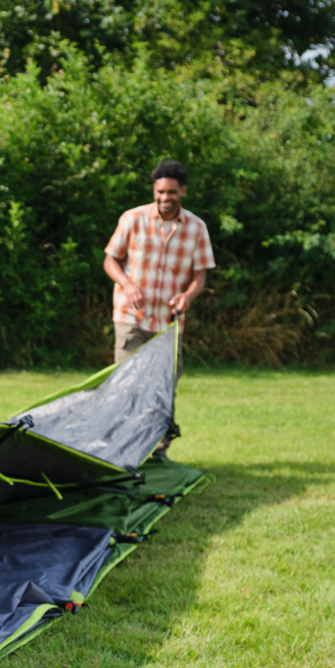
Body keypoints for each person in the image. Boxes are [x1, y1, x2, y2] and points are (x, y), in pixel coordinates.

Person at [102, 159, 215, 456]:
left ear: (183, 191)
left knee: (163, 387)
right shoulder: (132, 218)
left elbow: (200, 275)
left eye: (171, 192)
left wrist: (188, 296)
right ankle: (122, 449)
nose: (165, 198)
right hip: (131, 317)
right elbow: (110, 261)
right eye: (160, 192)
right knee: (127, 384)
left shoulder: (197, 228)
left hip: (169, 323)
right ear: (154, 190)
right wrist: (128, 285)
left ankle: (159, 450)